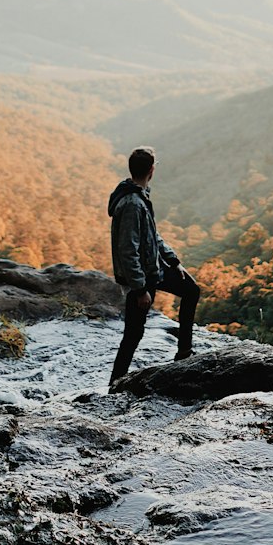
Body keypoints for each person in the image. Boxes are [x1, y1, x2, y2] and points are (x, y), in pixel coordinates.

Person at [108, 145, 199, 386]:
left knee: (191, 289)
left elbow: (153, 236)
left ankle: (183, 354)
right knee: (133, 334)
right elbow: (128, 251)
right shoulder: (132, 204)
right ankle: (115, 383)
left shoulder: (139, 196)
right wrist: (139, 290)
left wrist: (173, 260)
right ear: (151, 170)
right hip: (143, 277)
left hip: (155, 268)